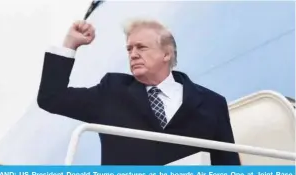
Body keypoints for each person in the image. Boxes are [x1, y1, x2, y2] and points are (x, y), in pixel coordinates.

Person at [37, 19, 241, 165]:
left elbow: (228, 165)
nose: (133, 54)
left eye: (141, 47)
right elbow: (51, 98)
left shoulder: (212, 103)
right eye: (129, 49)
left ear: (166, 54)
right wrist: (70, 45)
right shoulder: (111, 91)